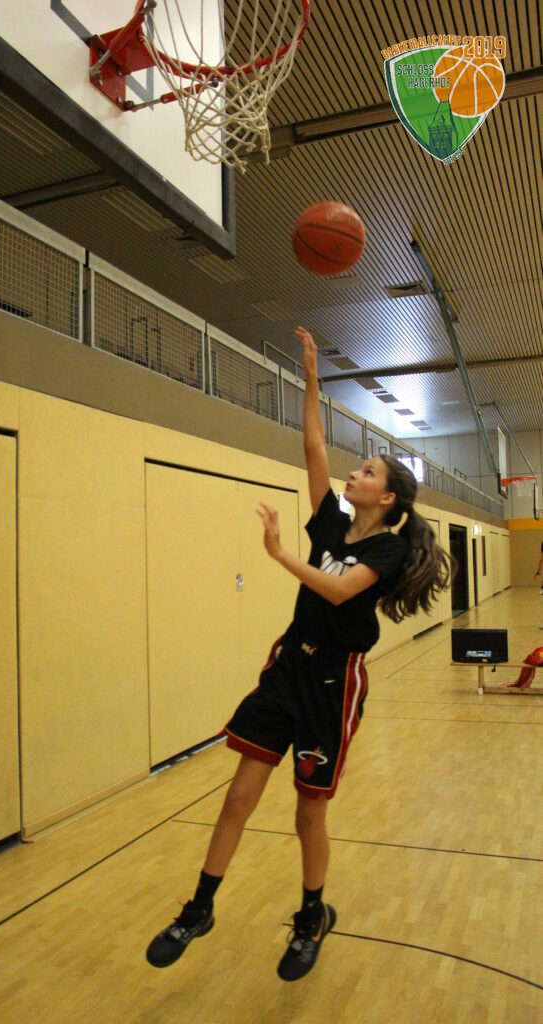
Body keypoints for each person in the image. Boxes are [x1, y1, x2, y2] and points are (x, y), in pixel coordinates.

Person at [146, 325, 452, 982]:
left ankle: (312, 915)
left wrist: (280, 553)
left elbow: (339, 591)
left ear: (387, 498)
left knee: (307, 810)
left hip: (332, 681)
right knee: (238, 797)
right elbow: (312, 443)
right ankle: (199, 908)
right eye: (357, 467)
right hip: (287, 667)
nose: (353, 472)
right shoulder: (332, 523)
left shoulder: (385, 548)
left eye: (366, 471)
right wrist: (313, 378)